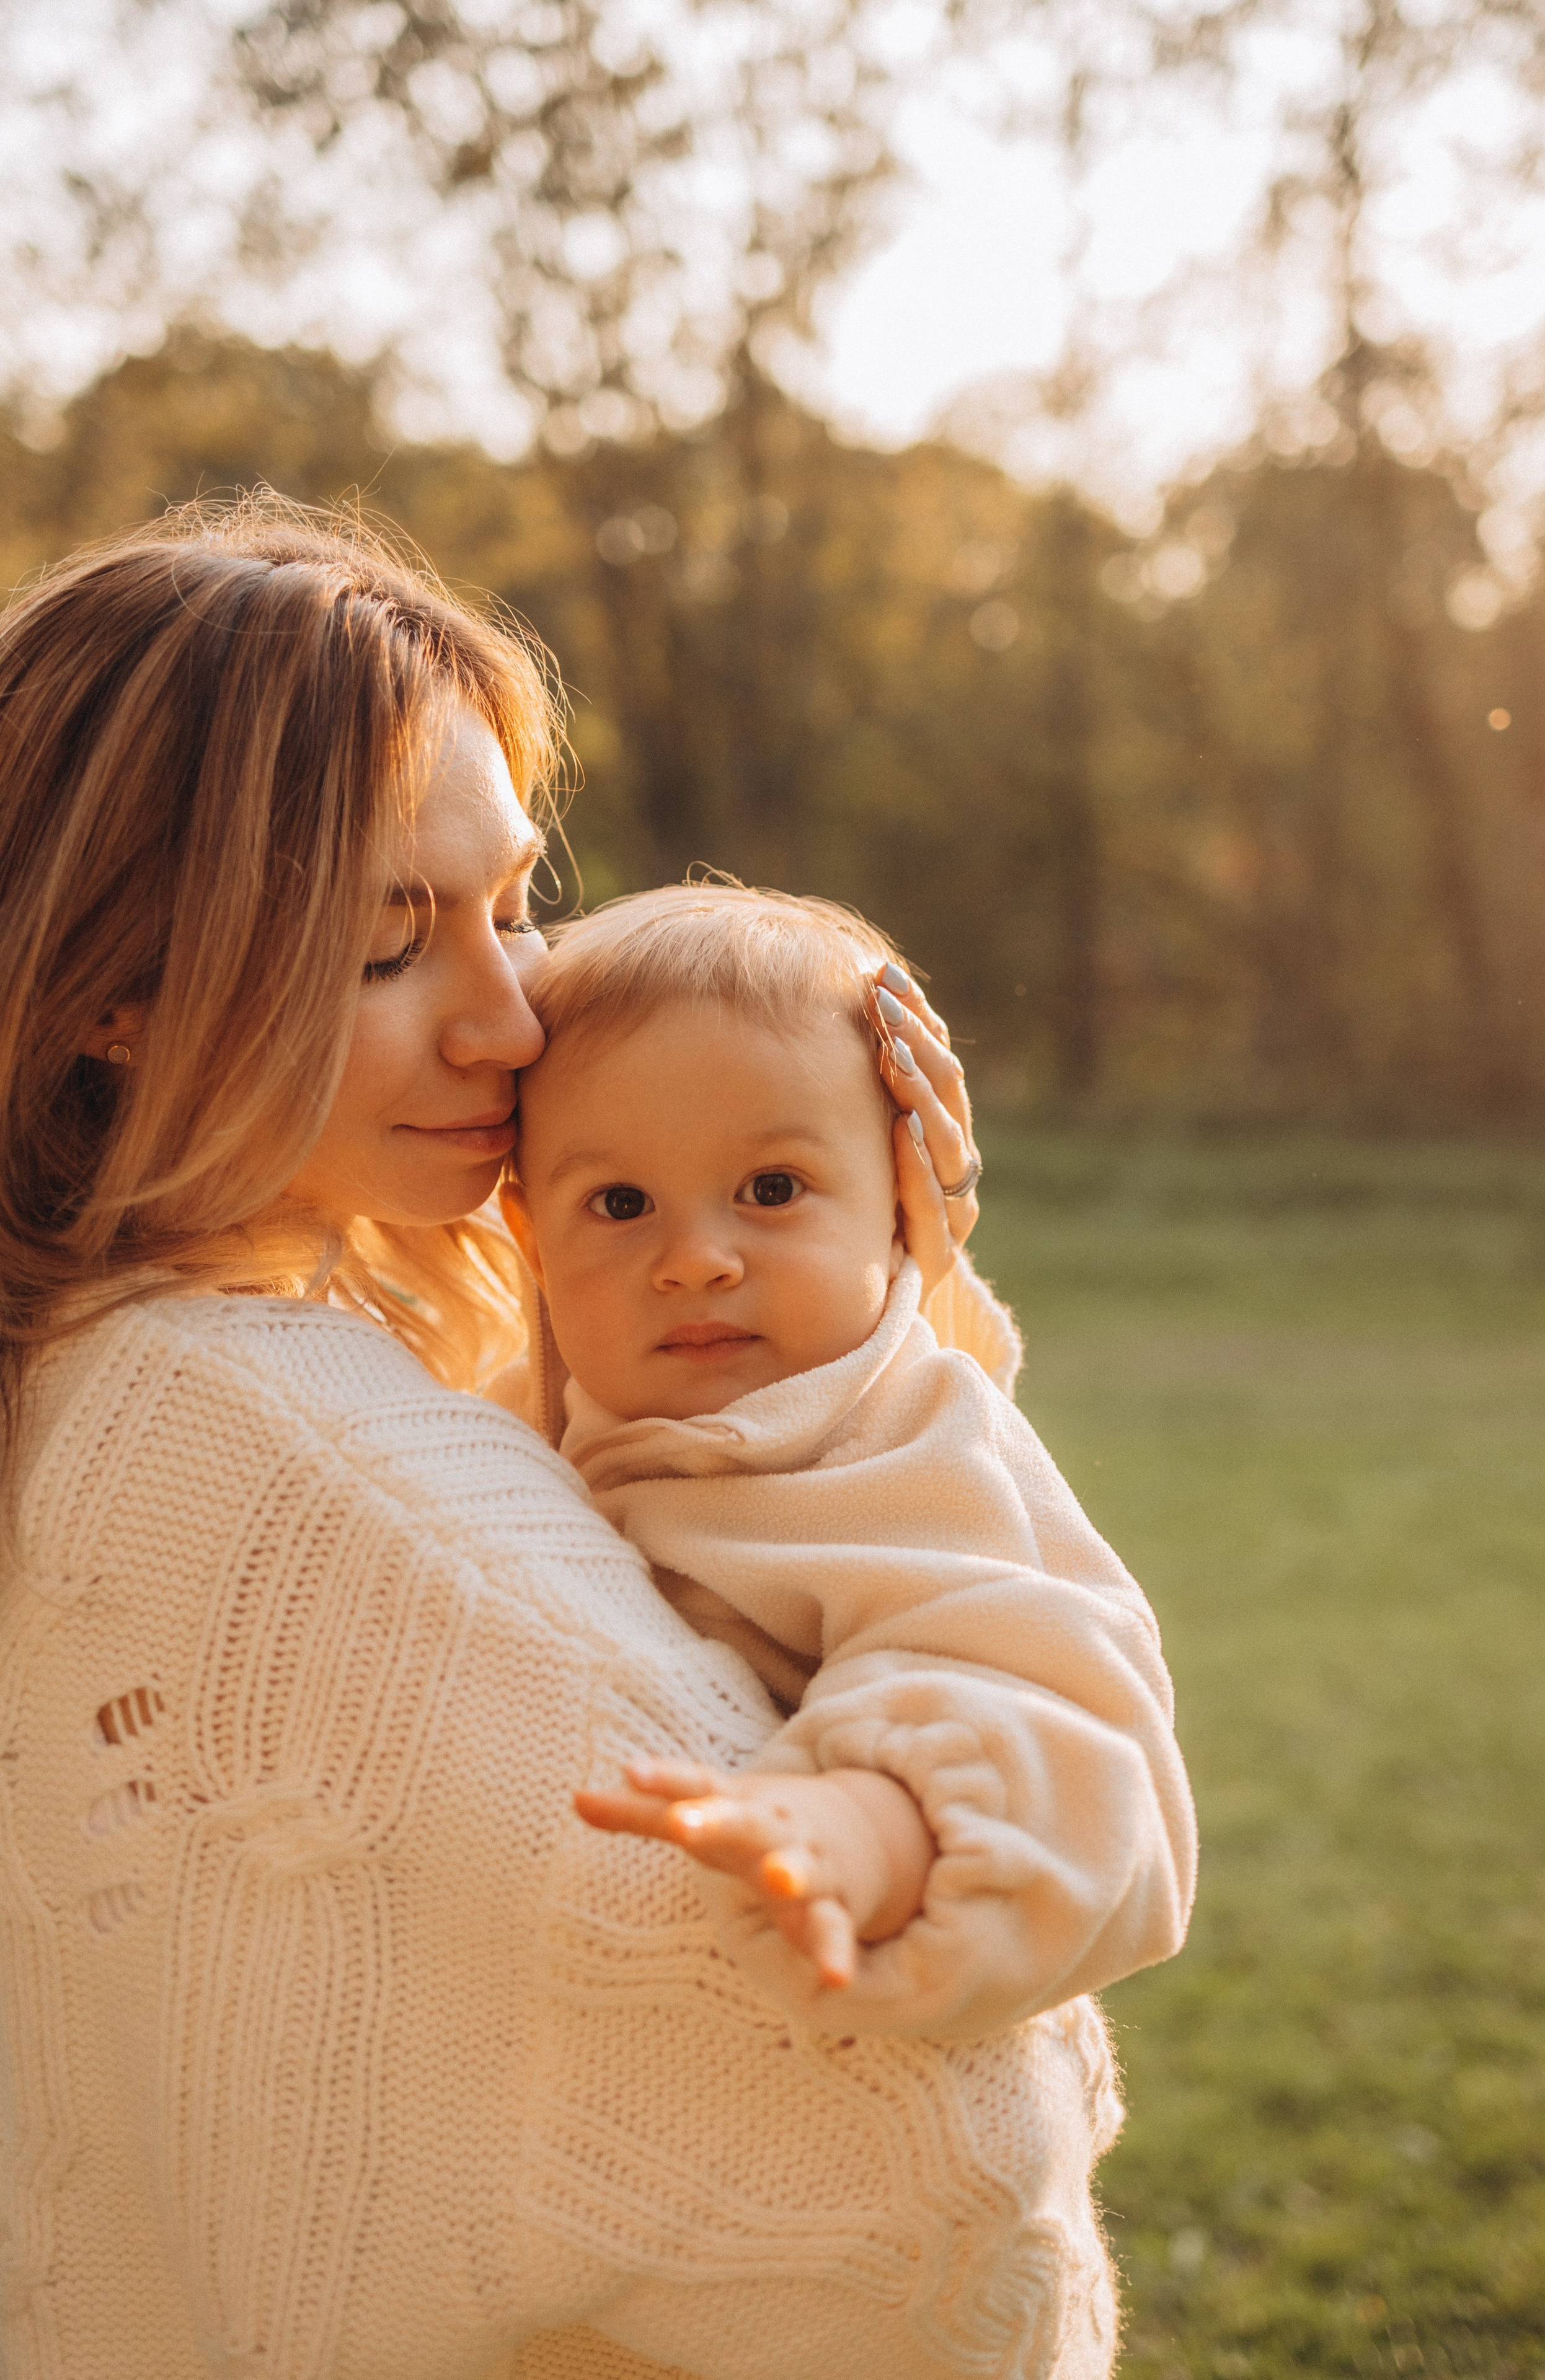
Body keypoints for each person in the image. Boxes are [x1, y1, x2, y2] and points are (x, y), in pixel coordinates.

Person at [0, 496, 1178, 2380]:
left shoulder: (101, 1384)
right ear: (114, 1001)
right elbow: (932, 2172)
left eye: (512, 907)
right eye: (392, 950)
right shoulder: (326, 1475)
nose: (512, 1018)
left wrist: (876, 1311)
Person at [502, 883, 1195, 2031]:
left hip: (837, 2021)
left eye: (772, 1190)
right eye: (621, 1204)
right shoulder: (526, 1423)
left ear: (901, 1205)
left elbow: (1062, 1724)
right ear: (530, 1238)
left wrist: (857, 1831)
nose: (696, 1259)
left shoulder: (908, 1440)